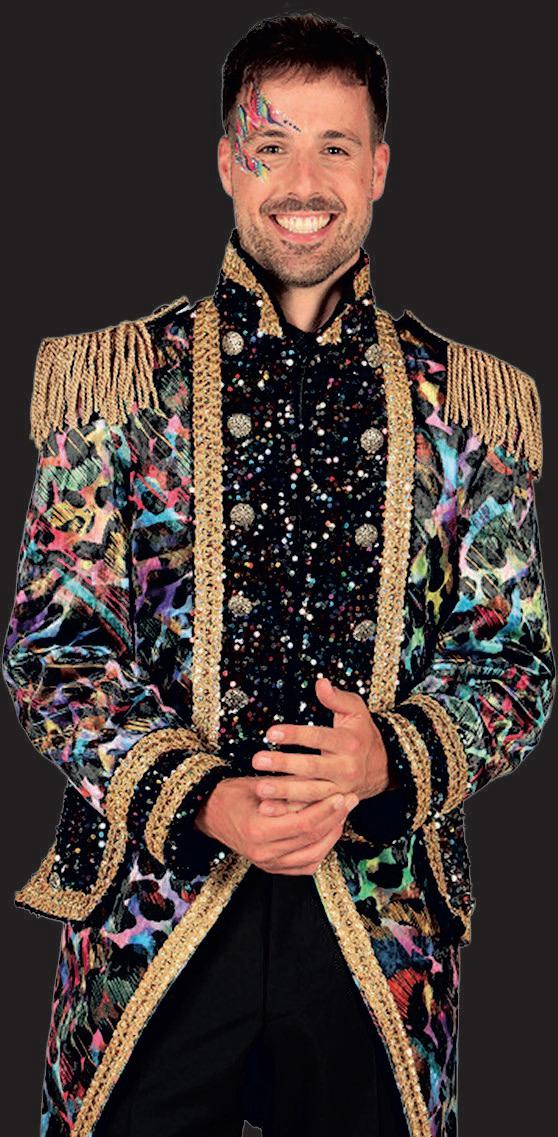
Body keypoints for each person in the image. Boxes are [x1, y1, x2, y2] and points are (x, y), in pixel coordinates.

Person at [3, 11, 554, 1137]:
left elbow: (513, 661)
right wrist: (203, 798)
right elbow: (54, 653)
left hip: (381, 922)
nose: (303, 183)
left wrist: (389, 758)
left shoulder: (466, 403)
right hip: (151, 914)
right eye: (272, 145)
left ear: (380, 168)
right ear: (227, 162)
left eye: (335, 147)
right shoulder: (117, 383)